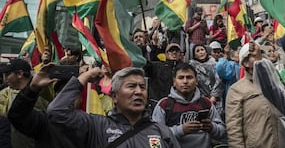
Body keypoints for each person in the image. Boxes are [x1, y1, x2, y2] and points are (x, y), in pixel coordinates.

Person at [47, 66, 181, 147]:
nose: (139, 91)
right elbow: (56, 112)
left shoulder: (162, 132)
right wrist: (85, 76)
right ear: (114, 96)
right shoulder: (97, 126)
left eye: (142, 87)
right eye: (131, 86)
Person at [226, 41, 285, 148]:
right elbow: (234, 130)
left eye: (262, 55)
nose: (261, 58)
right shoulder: (236, 90)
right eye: (255, 55)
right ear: (246, 63)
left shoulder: (276, 84)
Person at [152, 62, 225, 148]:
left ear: (196, 81)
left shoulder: (206, 103)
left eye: (189, 77)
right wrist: (181, 130)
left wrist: (212, 127)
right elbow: (154, 138)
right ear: (174, 82)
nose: (185, 81)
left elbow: (222, 131)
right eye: (181, 78)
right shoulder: (164, 105)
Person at [7, 63, 81, 148]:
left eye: (71, 94)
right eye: (60, 94)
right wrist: (32, 88)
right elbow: (17, 116)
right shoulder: (47, 121)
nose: (65, 99)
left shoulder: (90, 123)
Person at [0, 59, 48, 148]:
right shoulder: (6, 93)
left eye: (8, 74)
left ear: (20, 74)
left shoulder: (41, 95)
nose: (5, 78)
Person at [145, 43, 183, 110]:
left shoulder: (185, 69)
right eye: (171, 50)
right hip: (157, 106)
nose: (174, 52)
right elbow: (143, 64)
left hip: (178, 106)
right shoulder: (156, 66)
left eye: (176, 51)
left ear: (180, 55)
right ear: (166, 54)